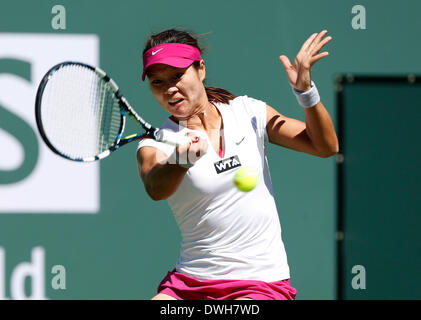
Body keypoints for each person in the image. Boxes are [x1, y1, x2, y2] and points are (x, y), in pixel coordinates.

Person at [136, 28, 338, 300]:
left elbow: (324, 146)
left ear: (201, 70)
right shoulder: (156, 145)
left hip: (260, 283)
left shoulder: (248, 112)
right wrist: (179, 162)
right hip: (189, 284)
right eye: (157, 82)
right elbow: (155, 187)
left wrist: (305, 92)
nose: (170, 88)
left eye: (177, 75)